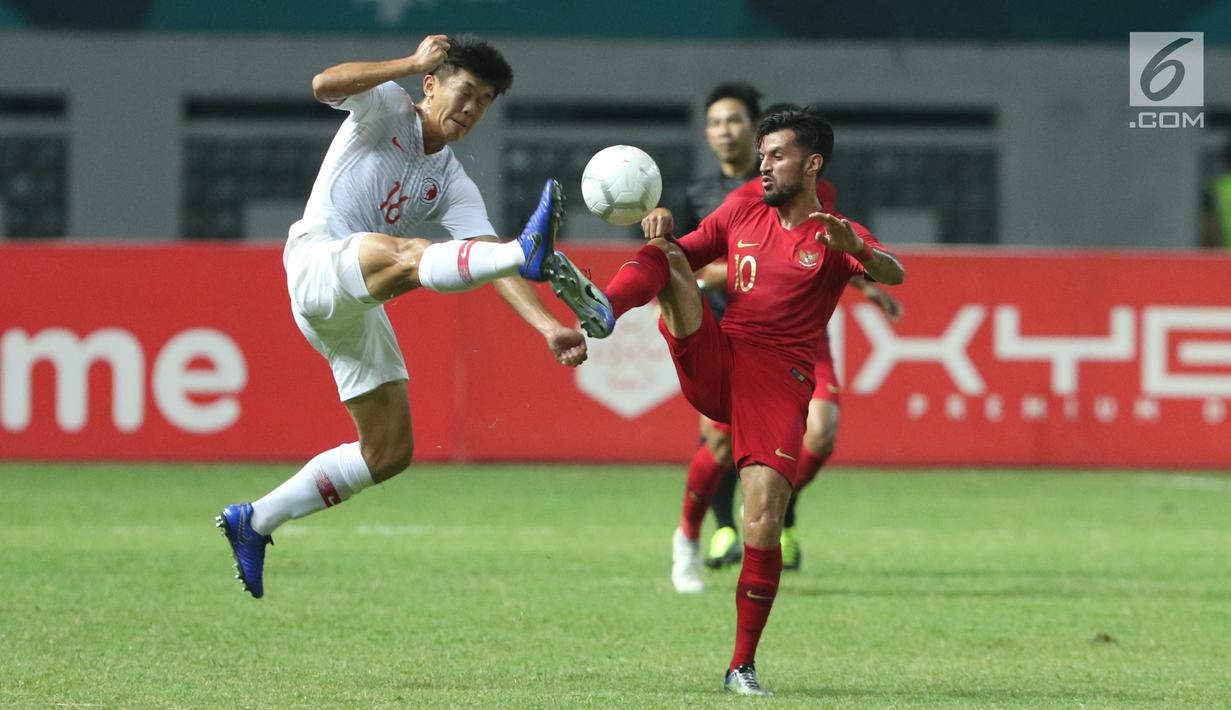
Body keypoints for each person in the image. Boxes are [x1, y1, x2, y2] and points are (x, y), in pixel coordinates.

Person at [215, 35, 590, 599]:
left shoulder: (453, 183)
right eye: (465, 90)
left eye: (485, 100)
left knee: (389, 452)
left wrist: (547, 326)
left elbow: (484, 255)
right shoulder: (385, 102)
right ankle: (527, 249)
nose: (472, 108)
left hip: (355, 306)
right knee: (411, 254)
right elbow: (323, 86)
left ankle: (255, 520)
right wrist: (409, 63)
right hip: (318, 262)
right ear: (432, 83)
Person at [565, 107, 905, 695]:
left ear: (812, 162)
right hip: (722, 354)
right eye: (763, 154)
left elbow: (896, 273)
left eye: (777, 155)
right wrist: (664, 228)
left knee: (764, 521)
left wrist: (865, 254)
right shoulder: (744, 208)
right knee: (670, 256)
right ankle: (603, 310)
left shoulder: (835, 232)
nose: (763, 165)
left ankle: (740, 666)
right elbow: (687, 253)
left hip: (780, 381)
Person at [676, 88, 902, 580]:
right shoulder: (702, 197)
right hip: (730, 331)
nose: (725, 131)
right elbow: (685, 258)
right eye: (715, 122)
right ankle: (701, 534)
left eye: (735, 120)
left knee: (820, 434)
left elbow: (824, 245)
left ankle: (775, 514)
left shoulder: (801, 188)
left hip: (798, 338)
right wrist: (688, 283)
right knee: (720, 445)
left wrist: (867, 281)